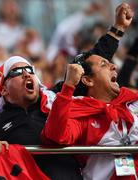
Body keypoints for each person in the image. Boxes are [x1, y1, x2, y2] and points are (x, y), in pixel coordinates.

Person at [42, 3, 136, 179]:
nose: (114, 66)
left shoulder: (131, 100)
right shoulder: (83, 115)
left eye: (110, 63)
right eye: (105, 64)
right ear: (87, 80)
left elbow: (96, 60)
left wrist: (119, 29)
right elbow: (56, 135)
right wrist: (69, 85)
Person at [0, 55, 82, 179]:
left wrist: (112, 36)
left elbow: (89, 67)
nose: (26, 74)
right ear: (4, 90)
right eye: (17, 72)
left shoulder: (55, 104)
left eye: (30, 70)